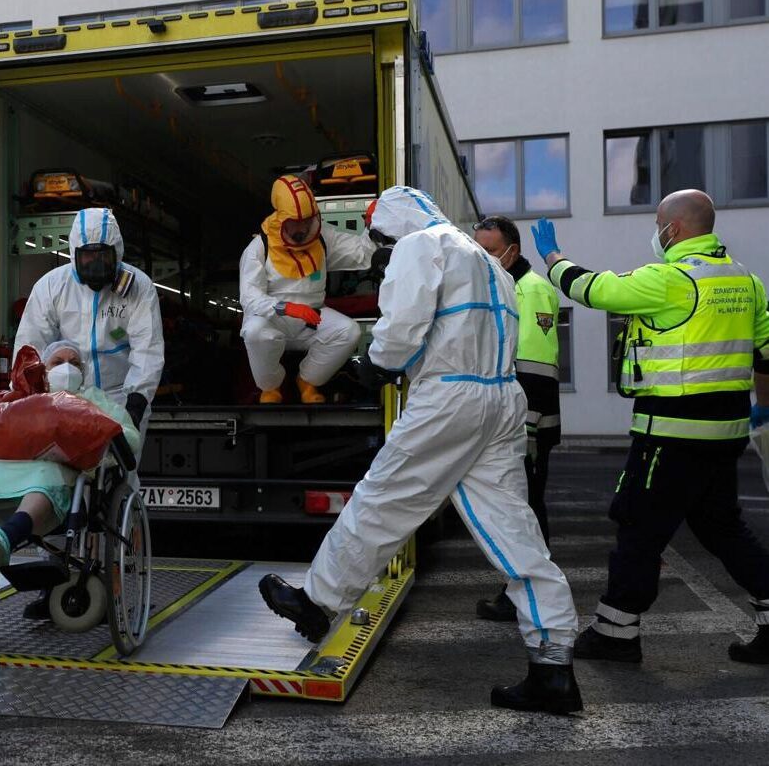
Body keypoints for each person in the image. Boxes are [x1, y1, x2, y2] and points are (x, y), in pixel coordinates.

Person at [259, 185, 583, 714]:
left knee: (382, 499)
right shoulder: (488, 260)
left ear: (397, 226)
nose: (383, 253)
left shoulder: (422, 245)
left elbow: (404, 325)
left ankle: (317, 605)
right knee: (515, 531)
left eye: (383, 241)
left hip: (448, 398)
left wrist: (376, 364)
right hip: (503, 399)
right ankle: (554, 664)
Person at [531, 189, 769, 664]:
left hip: (671, 433)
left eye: (658, 223)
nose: (656, 232)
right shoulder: (747, 280)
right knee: (723, 528)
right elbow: (765, 352)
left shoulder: (669, 279)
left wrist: (553, 257)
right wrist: (762, 412)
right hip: (725, 434)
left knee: (638, 525)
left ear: (673, 230)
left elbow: (592, 289)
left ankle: (615, 633)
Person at [0, 340, 140, 578]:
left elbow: (127, 437)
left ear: (83, 371)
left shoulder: (95, 401)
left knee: (44, 473)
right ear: (44, 369)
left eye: (74, 363)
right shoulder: (24, 397)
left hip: (59, 475)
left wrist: (93, 431)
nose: (67, 368)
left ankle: (7, 537)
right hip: (5, 470)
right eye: (58, 362)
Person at [472, 215, 563, 622]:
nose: (483, 258)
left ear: (513, 250)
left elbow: (535, 367)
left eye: (489, 251)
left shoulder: (533, 290)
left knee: (526, 509)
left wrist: (524, 429)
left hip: (527, 423)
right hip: (511, 420)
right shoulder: (504, 287)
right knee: (516, 509)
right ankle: (522, 592)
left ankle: (528, 595)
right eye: (478, 251)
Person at [239, 175, 388, 404]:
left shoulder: (322, 238)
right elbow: (250, 298)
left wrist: (373, 225)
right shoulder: (259, 247)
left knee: (349, 332)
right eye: (294, 223)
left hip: (312, 315)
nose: (301, 229)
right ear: (280, 219)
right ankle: (271, 387)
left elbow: (362, 253)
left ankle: (308, 381)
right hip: (272, 319)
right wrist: (286, 307)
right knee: (254, 332)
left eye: (306, 221)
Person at [15, 206, 165, 432]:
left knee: (120, 465)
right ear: (75, 253)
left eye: (103, 255)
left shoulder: (138, 287)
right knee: (65, 465)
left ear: (117, 252)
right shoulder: (52, 286)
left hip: (121, 398)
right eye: (88, 255)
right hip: (64, 398)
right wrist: (28, 397)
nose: (95, 263)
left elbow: (148, 349)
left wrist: (136, 404)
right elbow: (31, 346)